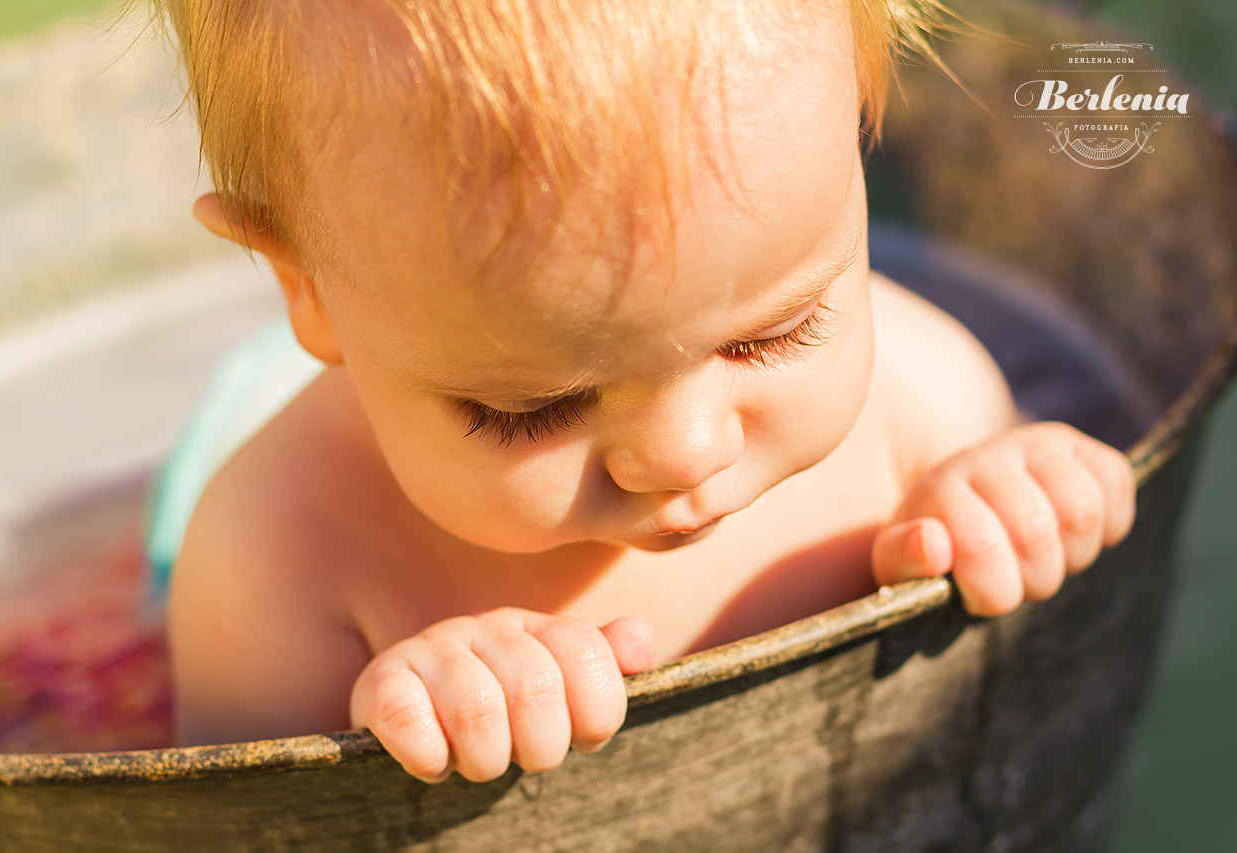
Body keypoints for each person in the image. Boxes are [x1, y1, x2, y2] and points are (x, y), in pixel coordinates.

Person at [159, 0, 1136, 783]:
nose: (682, 452)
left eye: (771, 334)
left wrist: (1017, 489)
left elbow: (1026, 551)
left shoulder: (921, 389)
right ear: (306, 287)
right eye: (529, 408)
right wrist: (401, 732)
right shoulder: (280, 559)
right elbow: (221, 819)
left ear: (862, 118)